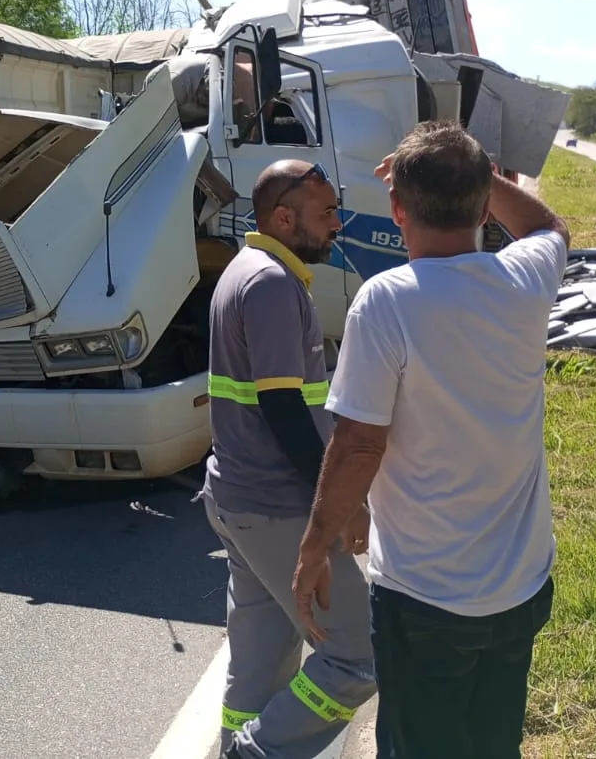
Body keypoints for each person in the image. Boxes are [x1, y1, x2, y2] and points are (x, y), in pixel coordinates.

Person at [292, 121, 568, 759]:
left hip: (425, 598)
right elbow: (549, 229)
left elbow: (360, 445)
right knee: (492, 743)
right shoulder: (525, 282)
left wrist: (312, 549)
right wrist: (483, 176)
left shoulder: (387, 302)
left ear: (396, 208)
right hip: (520, 587)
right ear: (482, 206)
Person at [199, 159, 377, 759]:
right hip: (277, 508)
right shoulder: (272, 284)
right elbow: (283, 410)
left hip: (238, 500)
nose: (337, 226)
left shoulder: (244, 271)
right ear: (283, 216)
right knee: (358, 654)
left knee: (261, 663)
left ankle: (239, 743)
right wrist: (340, 503)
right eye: (326, 214)